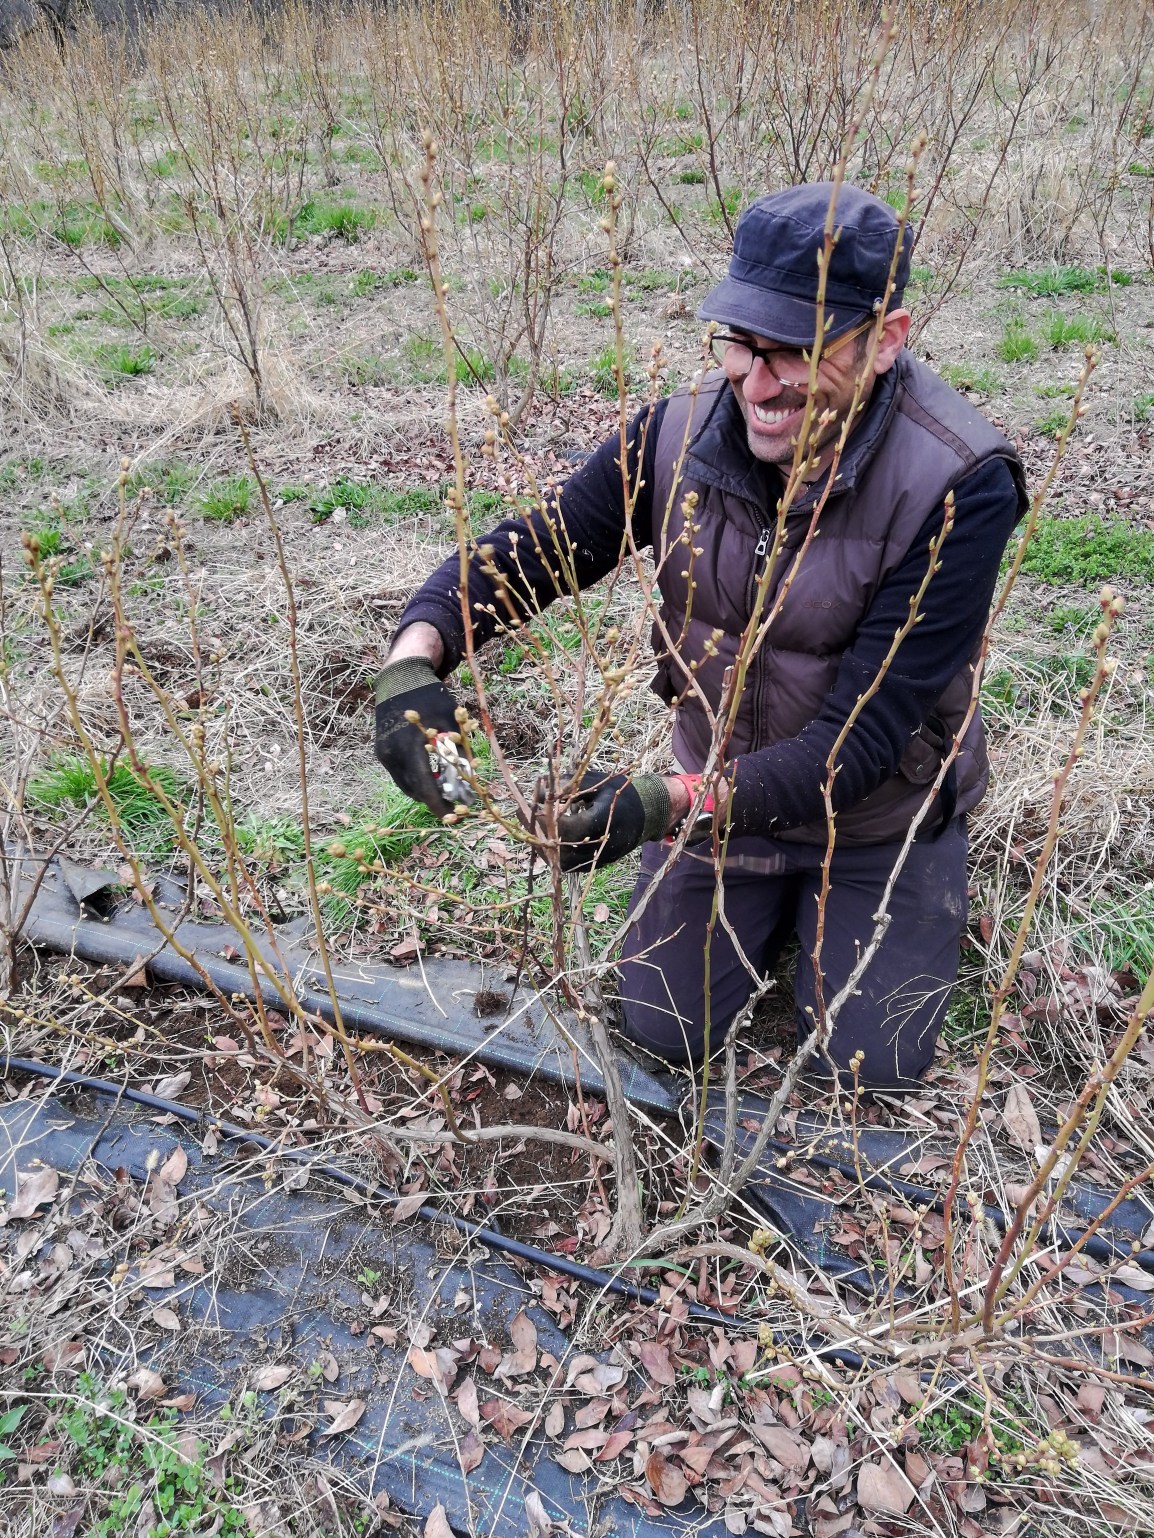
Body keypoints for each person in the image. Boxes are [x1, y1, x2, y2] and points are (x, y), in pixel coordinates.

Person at [372, 183, 1026, 1093]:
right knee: (662, 1028)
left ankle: (867, 901)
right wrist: (413, 661)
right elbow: (538, 548)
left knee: (867, 1068)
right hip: (719, 800)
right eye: (740, 342)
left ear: (885, 339)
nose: (755, 385)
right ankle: (767, 908)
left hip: (874, 820)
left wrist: (662, 804)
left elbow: (858, 743)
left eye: (794, 351)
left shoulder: (959, 484)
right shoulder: (677, 435)